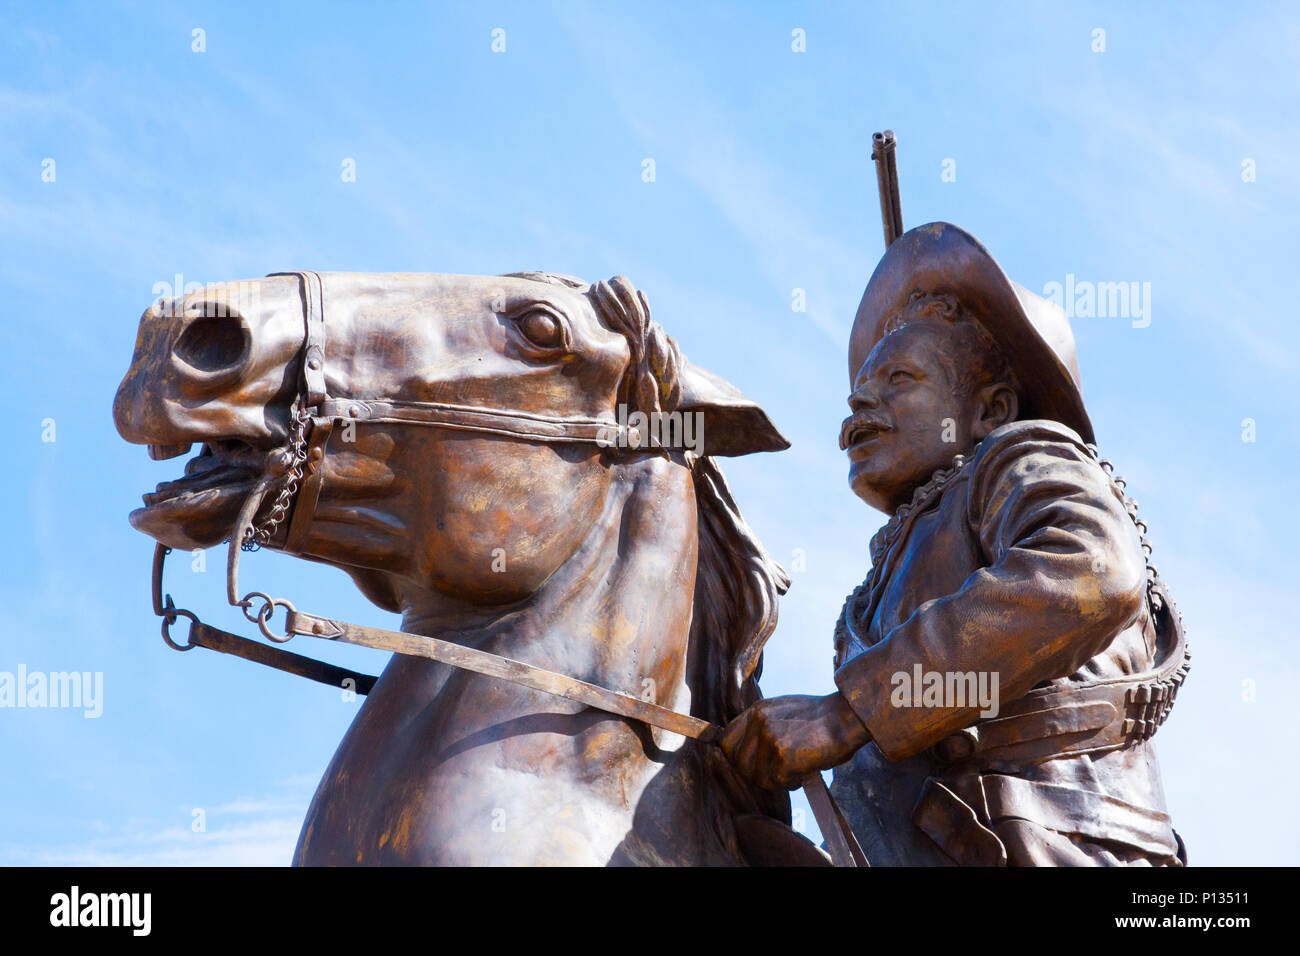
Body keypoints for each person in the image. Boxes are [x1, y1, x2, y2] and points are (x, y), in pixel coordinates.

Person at [720, 222, 1188, 865]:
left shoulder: (1019, 458)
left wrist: (848, 713)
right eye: (861, 385)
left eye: (900, 377)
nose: (861, 397)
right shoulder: (886, 570)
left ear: (990, 410)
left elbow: (1092, 572)